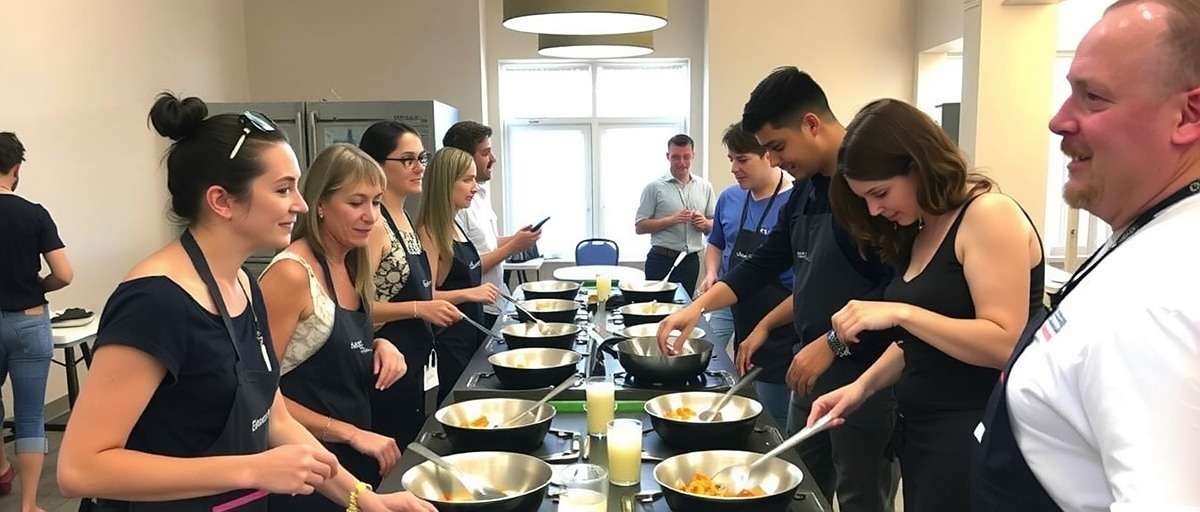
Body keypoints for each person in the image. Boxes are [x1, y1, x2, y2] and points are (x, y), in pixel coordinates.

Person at [56, 93, 434, 512]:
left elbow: (276, 420)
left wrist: (364, 500)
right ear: (221, 201)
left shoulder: (243, 285)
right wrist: (250, 469)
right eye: (283, 189)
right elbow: (80, 469)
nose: (302, 204)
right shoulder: (155, 301)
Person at [973, 1, 1200, 510]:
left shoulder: (1160, 298)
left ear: (1188, 115)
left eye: (1093, 98)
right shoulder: (1150, 228)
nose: (1057, 121)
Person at [657, 68, 898, 512]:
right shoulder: (805, 191)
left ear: (811, 123)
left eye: (777, 147)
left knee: (860, 495)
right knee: (800, 483)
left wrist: (832, 343)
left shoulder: (873, 190)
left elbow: (896, 293)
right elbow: (763, 263)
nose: (774, 160)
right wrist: (697, 308)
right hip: (808, 367)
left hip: (867, 377)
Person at [804, 98, 1044, 510]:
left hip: (973, 434)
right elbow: (922, 342)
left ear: (919, 164)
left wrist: (900, 312)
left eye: (880, 193)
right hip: (922, 431)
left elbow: (1006, 343)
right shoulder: (924, 226)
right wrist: (859, 389)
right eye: (865, 199)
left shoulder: (989, 214)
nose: (875, 209)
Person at [259, 144, 409, 509]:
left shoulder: (352, 262)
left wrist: (380, 345)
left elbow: (331, 339)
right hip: (305, 474)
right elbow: (258, 396)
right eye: (356, 202)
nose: (370, 216)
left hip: (351, 460)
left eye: (376, 202)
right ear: (320, 205)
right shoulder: (291, 274)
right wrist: (350, 433)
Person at [359, 122, 461, 448]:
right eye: (407, 160)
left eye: (422, 158)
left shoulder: (404, 217)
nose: (419, 168)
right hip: (387, 368)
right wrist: (420, 308)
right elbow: (357, 309)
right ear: (376, 164)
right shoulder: (374, 227)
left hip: (415, 363)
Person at [700, 122, 797, 427]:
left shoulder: (794, 202)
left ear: (768, 155)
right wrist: (712, 274)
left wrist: (766, 325)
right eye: (731, 159)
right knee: (725, 366)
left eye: (742, 160)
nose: (734, 169)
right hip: (735, 301)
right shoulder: (730, 198)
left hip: (781, 316)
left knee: (772, 408)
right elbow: (715, 243)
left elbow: (803, 284)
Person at [0, 131, 73, 512]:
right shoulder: (34, 213)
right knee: (30, 416)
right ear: (16, 169)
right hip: (29, 323)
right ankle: (29, 504)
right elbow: (64, 273)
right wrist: (38, 285)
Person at [418, 147, 499, 403]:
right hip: (451, 343)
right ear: (445, 183)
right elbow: (426, 297)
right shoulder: (428, 231)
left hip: (473, 333)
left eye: (474, 179)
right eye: (467, 180)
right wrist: (469, 293)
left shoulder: (456, 224)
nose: (474, 187)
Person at [442, 121, 540, 328]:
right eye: (486, 153)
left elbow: (484, 243)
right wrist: (514, 246)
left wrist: (516, 238)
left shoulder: (479, 195)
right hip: (474, 309)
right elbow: (468, 266)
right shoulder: (454, 209)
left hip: (494, 300)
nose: (493, 158)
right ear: (464, 158)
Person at [634, 134, 715, 297]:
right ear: (667, 157)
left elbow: (715, 225)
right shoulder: (654, 188)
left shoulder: (705, 187)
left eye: (686, 157)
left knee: (684, 309)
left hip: (690, 262)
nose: (682, 163)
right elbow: (640, 226)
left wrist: (705, 223)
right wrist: (671, 220)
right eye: (676, 157)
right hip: (660, 259)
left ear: (693, 155)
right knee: (655, 309)